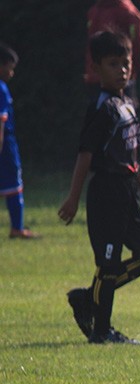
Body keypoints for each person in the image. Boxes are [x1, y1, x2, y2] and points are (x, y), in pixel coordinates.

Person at [59, 30, 140, 345]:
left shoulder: (126, 103)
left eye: (125, 62)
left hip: (128, 192)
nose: (122, 69)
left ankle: (88, 298)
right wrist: (73, 198)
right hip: (105, 194)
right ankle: (102, 331)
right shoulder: (101, 108)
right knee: (108, 263)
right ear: (97, 68)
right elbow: (85, 155)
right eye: (113, 63)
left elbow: (131, 158)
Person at [0, 43, 37, 239]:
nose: (12, 73)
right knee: (14, 184)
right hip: (5, 144)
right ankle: (17, 228)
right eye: (10, 68)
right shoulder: (1, 89)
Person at [84, 0, 140, 106]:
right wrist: (128, 71)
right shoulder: (128, 12)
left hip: (103, 81)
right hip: (109, 83)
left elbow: (139, 51)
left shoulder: (96, 11)